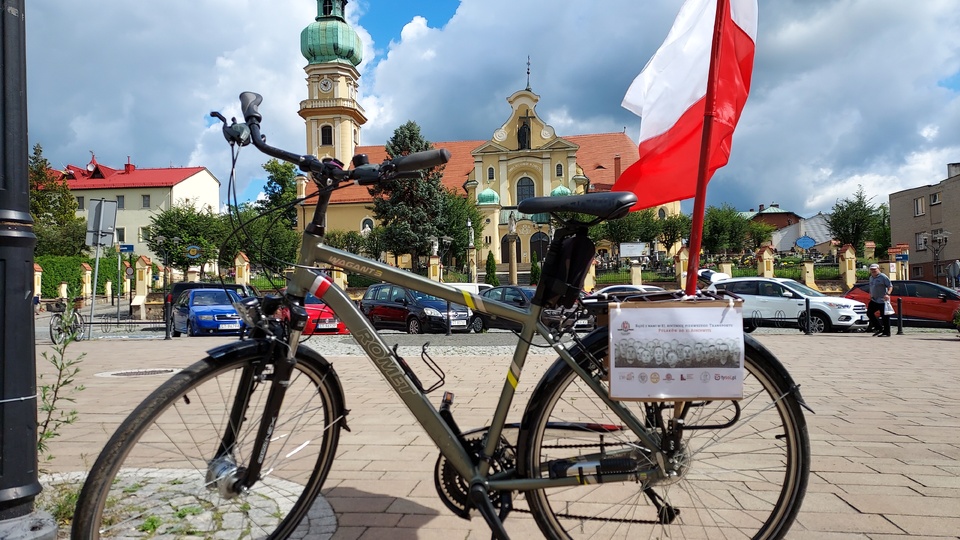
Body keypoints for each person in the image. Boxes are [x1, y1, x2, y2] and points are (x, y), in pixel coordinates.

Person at [866, 263, 893, 337]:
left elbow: (890, 286)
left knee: (885, 317)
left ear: (878, 269)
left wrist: (888, 294)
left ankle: (886, 333)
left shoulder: (883, 277)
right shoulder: (871, 277)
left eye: (874, 269)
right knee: (869, 313)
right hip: (874, 299)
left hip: (882, 300)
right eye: (871, 269)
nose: (873, 271)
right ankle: (879, 328)